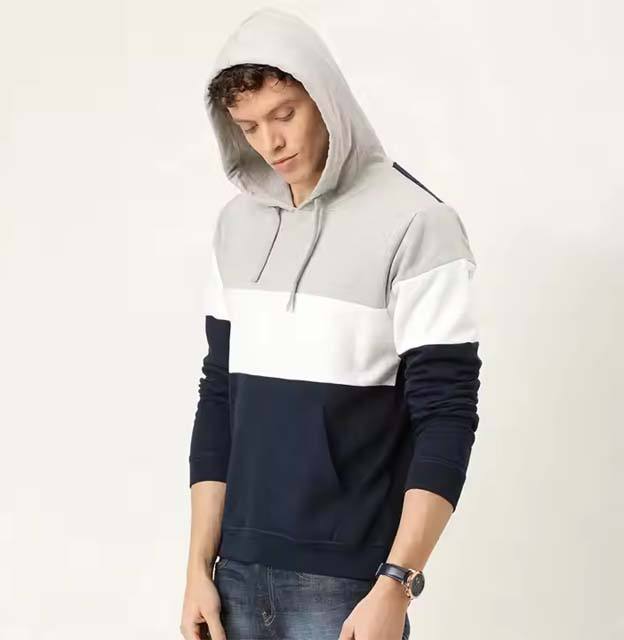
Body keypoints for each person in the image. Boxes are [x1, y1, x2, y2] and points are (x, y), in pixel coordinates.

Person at [180, 7, 482, 640]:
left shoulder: (418, 224)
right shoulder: (235, 227)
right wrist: (197, 567)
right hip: (234, 576)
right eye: (249, 126)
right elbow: (219, 396)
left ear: (326, 97)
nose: (271, 143)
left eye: (285, 114)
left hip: (348, 586)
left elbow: (447, 417)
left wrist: (396, 584)